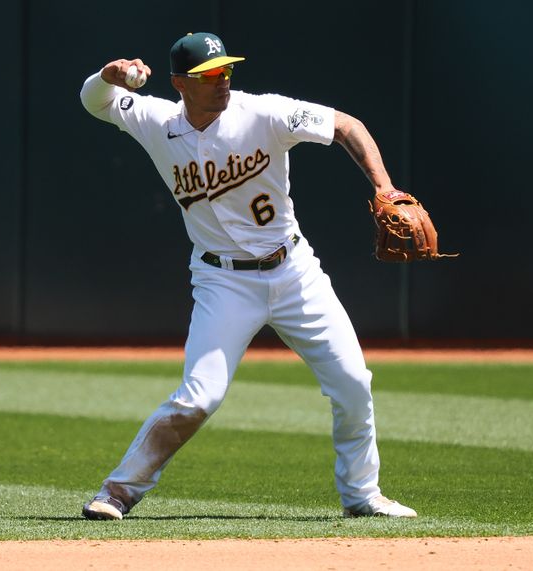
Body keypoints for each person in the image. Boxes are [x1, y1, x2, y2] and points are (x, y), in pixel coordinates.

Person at [79, 32, 418, 520]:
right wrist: (106, 76)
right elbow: (96, 102)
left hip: (295, 272)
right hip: (224, 282)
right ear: (180, 83)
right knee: (200, 396)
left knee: (352, 382)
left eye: (227, 70)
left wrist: (385, 188)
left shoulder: (264, 113)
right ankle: (118, 491)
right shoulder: (157, 120)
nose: (223, 81)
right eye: (210, 75)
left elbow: (347, 126)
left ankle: (362, 494)